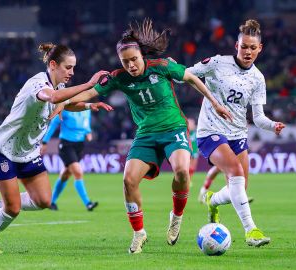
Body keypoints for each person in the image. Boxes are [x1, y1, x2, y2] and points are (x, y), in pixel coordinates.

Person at [50, 19, 232, 254]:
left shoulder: (162, 66)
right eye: (125, 62)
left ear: (142, 56)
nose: (131, 65)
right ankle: (139, 233)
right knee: (128, 180)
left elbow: (191, 78)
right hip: (146, 134)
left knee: (181, 171)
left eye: (134, 60)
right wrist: (64, 102)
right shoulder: (118, 77)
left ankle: (176, 215)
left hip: (173, 128)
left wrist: (215, 103)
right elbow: (88, 93)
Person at [0, 42, 111, 253]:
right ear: (53, 64)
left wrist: (88, 105)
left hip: (28, 152)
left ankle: (2, 204)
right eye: (68, 67)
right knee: (13, 209)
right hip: (3, 150)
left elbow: (64, 103)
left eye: (73, 67)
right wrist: (89, 84)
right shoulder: (38, 84)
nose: (71, 72)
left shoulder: (58, 87)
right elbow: (53, 98)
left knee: (43, 200)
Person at [187, 19, 286, 247]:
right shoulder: (217, 63)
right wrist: (171, 69)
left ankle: (212, 200)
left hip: (238, 134)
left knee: (240, 187)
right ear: (236, 45)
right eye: (244, 46)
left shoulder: (257, 78)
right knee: (235, 172)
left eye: (253, 47)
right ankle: (251, 231)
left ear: (260, 48)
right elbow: (188, 74)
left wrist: (273, 126)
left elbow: (258, 117)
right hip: (210, 131)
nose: (248, 51)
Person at [40, 110, 99, 212]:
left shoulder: (87, 110)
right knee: (78, 172)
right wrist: (45, 141)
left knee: (65, 175)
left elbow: (86, 124)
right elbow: (53, 124)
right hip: (66, 145)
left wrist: (88, 132)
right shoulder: (65, 110)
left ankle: (51, 202)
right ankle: (88, 203)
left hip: (79, 146)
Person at [187, 118, 199, 185]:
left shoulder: (196, 132)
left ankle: (189, 180)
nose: (192, 125)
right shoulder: (186, 133)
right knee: (188, 166)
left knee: (193, 167)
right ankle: (186, 179)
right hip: (189, 151)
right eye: (190, 124)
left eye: (192, 124)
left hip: (195, 151)